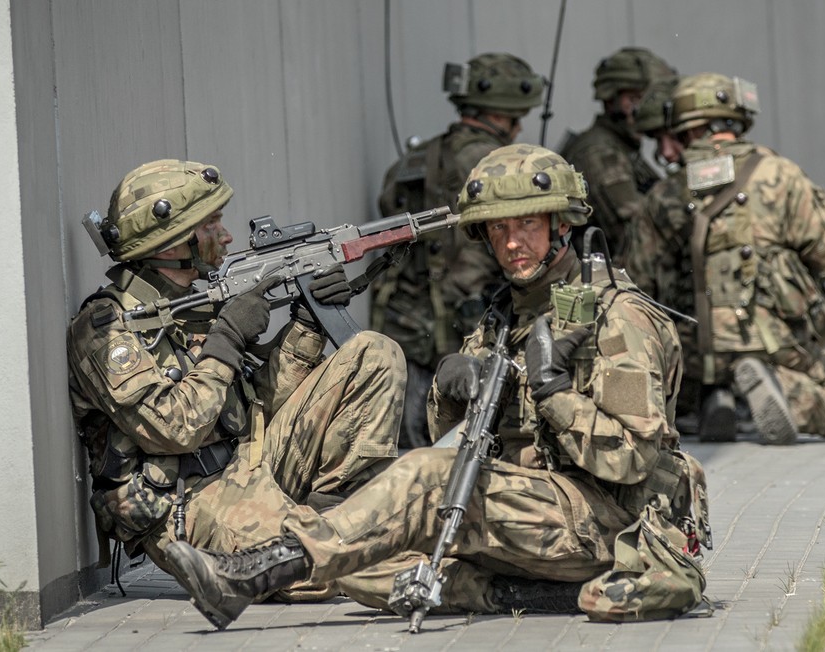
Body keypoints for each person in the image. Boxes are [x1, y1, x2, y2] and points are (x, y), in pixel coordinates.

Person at [161, 144, 711, 630]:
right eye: (498, 229)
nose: (512, 243)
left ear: (562, 225)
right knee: (366, 572)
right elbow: (453, 440)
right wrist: (451, 391)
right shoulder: (506, 316)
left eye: (527, 225)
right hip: (530, 513)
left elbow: (632, 461)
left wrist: (554, 392)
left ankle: (247, 576)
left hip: (610, 523)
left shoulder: (617, 317)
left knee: (422, 481)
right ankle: (549, 596)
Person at [67, 159, 405, 598]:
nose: (226, 236)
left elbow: (253, 404)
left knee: (373, 354)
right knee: (335, 567)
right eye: (212, 224)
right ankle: (344, 544)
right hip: (192, 502)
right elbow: (174, 428)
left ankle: (333, 521)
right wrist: (226, 338)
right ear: (173, 240)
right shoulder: (105, 327)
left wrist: (308, 323)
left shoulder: (195, 304)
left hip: (253, 459)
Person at [642, 73, 825, 444]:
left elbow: (640, 282)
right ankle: (784, 389)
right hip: (769, 340)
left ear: (685, 127)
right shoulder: (779, 174)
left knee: (705, 363)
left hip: (691, 355)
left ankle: (714, 396)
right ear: (735, 118)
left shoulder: (665, 193)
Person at [372, 52, 545, 448]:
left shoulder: (411, 161)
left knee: (410, 444)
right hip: (474, 325)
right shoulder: (501, 165)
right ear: (508, 111)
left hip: (406, 323)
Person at [561, 47, 676, 292]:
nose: (644, 105)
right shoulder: (600, 152)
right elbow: (634, 229)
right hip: (611, 290)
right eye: (635, 97)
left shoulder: (625, 149)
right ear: (611, 99)